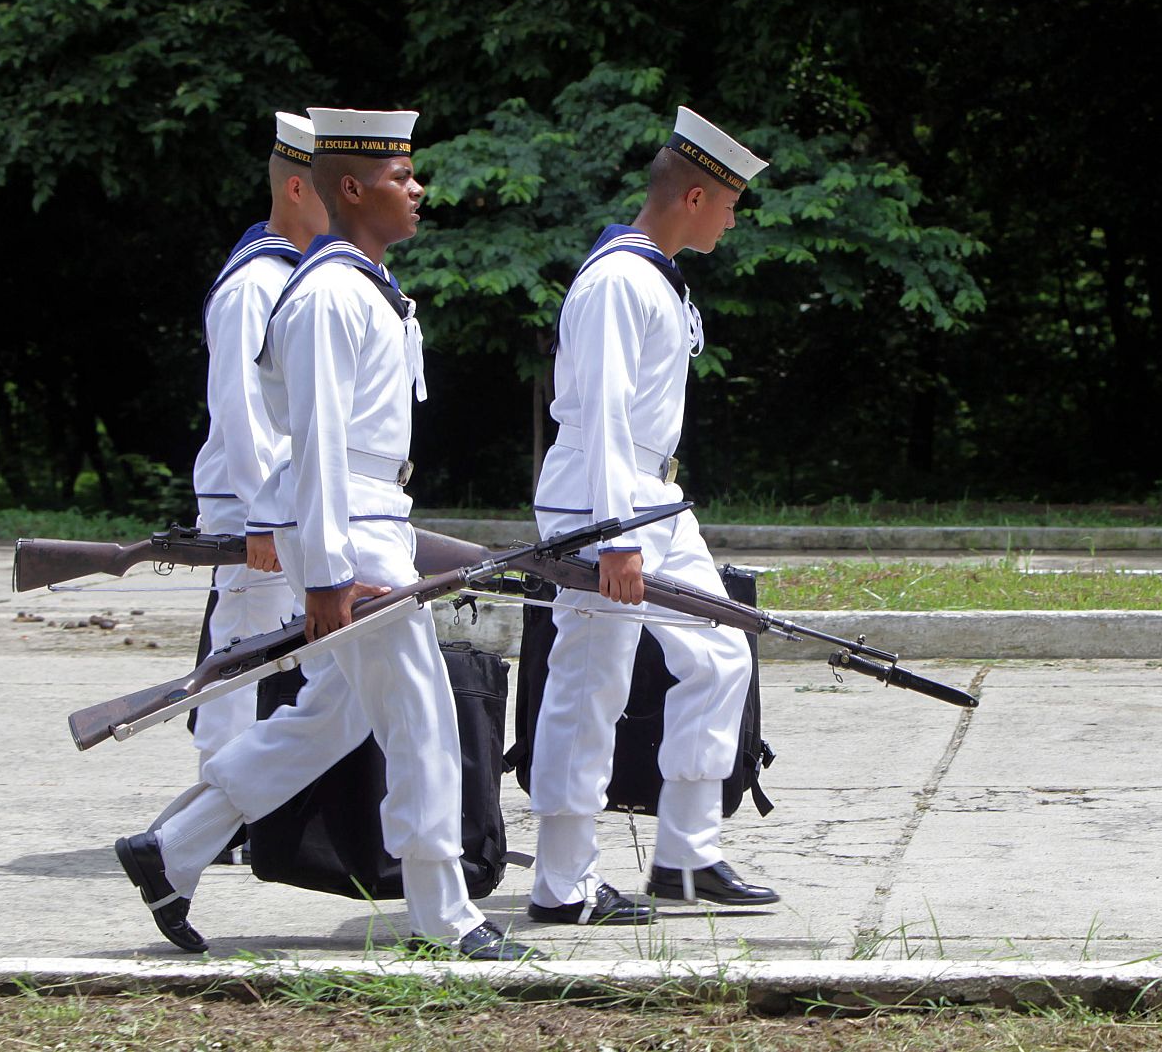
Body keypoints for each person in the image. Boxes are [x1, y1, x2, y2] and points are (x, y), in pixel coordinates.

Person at [115, 107, 537, 962]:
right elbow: (312, 446)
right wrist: (328, 575)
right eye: (398, 177)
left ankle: (176, 845)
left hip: (366, 517)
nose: (416, 188)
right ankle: (443, 914)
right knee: (421, 713)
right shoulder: (327, 296)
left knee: (335, 714)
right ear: (351, 187)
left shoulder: (364, 286)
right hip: (343, 524)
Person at [527, 106, 779, 926]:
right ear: (697, 197)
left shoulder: (653, 274)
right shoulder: (617, 280)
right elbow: (597, 414)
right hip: (607, 501)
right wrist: (615, 536)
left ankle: (686, 855)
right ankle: (562, 882)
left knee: (719, 652)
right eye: (732, 201)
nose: (738, 218)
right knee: (590, 683)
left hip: (653, 493)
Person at [189, 112, 327, 780]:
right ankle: (221, 798)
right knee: (245, 648)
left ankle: (251, 799)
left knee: (277, 649)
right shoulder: (255, 285)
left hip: (286, 501)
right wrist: (266, 512)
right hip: (257, 503)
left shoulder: (297, 275)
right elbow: (244, 415)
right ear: (297, 189)